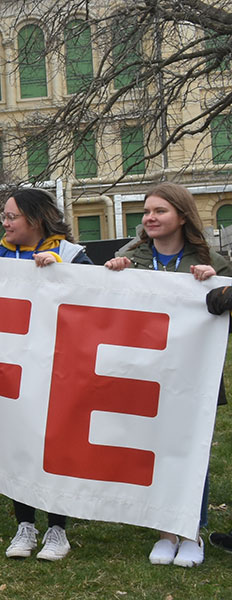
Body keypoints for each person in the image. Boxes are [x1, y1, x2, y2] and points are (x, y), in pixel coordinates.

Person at [103, 182, 228, 568]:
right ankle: (164, 531)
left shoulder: (215, 260)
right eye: (146, 212)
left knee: (191, 453)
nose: (150, 218)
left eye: (160, 211)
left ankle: (191, 532)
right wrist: (113, 276)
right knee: (154, 449)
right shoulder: (130, 257)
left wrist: (218, 288)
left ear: (182, 216)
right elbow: (103, 308)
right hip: (146, 372)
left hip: (194, 375)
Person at [0, 188, 90, 561]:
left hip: (56, 365)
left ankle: (57, 529)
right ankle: (25, 524)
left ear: (36, 219)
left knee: (54, 443)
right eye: (3, 218)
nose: (4, 224)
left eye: (11, 218)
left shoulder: (71, 254)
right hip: (12, 367)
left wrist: (64, 273)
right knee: (18, 442)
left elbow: (97, 297)